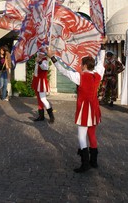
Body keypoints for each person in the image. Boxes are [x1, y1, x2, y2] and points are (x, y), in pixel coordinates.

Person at [48, 44, 106, 173]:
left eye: (81, 64)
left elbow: (63, 70)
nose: (80, 66)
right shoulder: (97, 75)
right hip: (95, 108)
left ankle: (85, 164)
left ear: (85, 66)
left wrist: (52, 57)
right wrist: (103, 46)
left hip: (85, 109)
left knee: (81, 136)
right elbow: (101, 62)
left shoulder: (80, 77)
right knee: (92, 134)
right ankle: (94, 161)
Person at [31, 52, 55, 123]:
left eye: (40, 53)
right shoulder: (39, 60)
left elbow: (44, 67)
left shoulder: (45, 61)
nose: (38, 54)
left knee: (43, 99)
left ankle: (51, 116)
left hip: (41, 82)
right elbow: (36, 71)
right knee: (39, 99)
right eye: (38, 53)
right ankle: (41, 116)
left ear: (43, 54)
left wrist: (39, 61)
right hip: (37, 80)